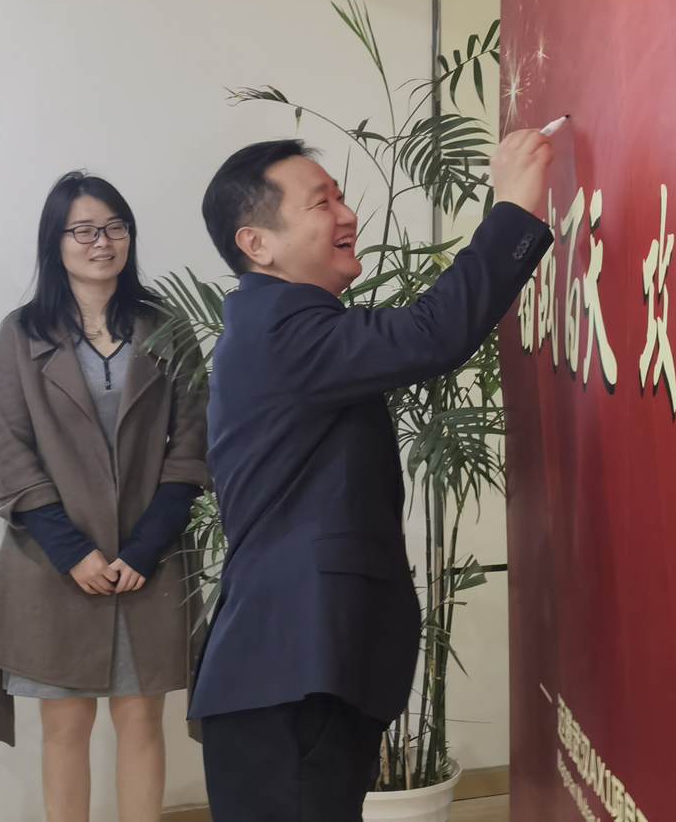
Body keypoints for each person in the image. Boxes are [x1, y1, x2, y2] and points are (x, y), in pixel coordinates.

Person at [191, 128, 554, 821]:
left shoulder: (279, 327)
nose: (347, 214)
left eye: (340, 197)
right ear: (256, 243)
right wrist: (512, 209)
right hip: (289, 676)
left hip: (292, 674)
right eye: (320, 202)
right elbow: (432, 333)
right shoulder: (281, 330)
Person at [0, 172, 209, 822]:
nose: (101, 241)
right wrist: (74, 552)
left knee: (140, 722)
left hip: (148, 560)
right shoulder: (20, 334)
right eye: (83, 229)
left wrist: (144, 547)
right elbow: (13, 455)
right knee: (65, 728)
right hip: (53, 565)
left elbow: (191, 447)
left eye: (114, 227)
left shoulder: (166, 325)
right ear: (55, 241)